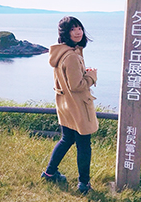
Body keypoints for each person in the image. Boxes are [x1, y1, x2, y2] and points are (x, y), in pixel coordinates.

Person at [41, 16, 98, 194]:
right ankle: (83, 184)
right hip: (77, 106)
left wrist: (83, 74)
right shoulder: (72, 56)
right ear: (65, 33)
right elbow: (77, 86)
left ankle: (50, 173)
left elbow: (67, 81)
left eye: (79, 27)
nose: (78, 31)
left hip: (65, 104)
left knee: (67, 139)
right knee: (83, 144)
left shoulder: (61, 52)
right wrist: (92, 76)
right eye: (73, 29)